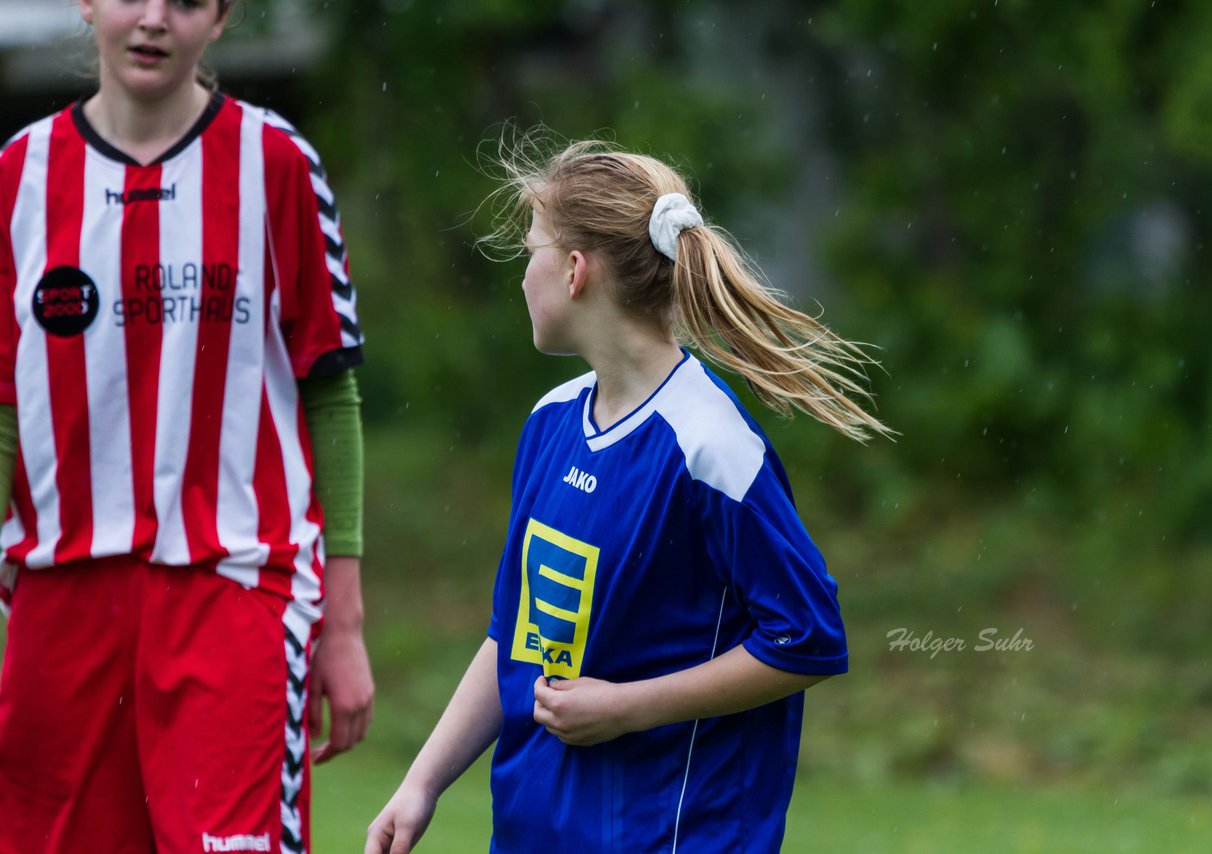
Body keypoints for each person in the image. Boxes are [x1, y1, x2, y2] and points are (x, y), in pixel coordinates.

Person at [365, 134, 891, 854]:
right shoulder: (550, 423)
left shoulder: (710, 449)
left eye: (531, 253)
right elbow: (513, 635)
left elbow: (807, 638)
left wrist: (626, 708)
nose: (523, 276)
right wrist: (422, 782)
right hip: (533, 834)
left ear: (575, 270)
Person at [0, 1, 374, 851]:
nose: (154, 20)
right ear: (89, 2)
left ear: (223, 17)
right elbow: (2, 405)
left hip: (234, 583)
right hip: (62, 594)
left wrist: (344, 630)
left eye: (188, 0)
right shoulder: (17, 177)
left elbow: (332, 395)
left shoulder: (276, 164)